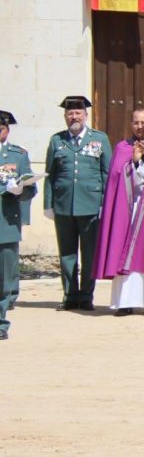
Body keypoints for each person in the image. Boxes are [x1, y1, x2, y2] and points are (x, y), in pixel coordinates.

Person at [44, 95, 111, 311]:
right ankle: (70, 295)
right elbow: (50, 175)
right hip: (64, 205)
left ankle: (86, 296)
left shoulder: (99, 139)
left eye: (78, 113)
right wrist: (48, 203)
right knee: (67, 253)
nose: (74, 117)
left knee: (89, 253)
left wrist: (105, 204)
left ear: (86, 115)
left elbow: (107, 173)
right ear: (65, 116)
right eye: (70, 113)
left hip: (91, 205)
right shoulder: (57, 140)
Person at [94, 108, 144, 316]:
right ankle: (125, 302)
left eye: (143, 122)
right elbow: (116, 178)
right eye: (135, 122)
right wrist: (133, 160)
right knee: (125, 251)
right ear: (131, 124)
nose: (140, 126)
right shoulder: (122, 147)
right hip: (128, 209)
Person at [1, 110, 37, 340]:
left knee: (4, 276)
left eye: (0, 128)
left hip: (5, 222)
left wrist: (21, 190)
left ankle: (1, 323)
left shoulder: (18, 155)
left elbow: (31, 187)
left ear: (7, 130)